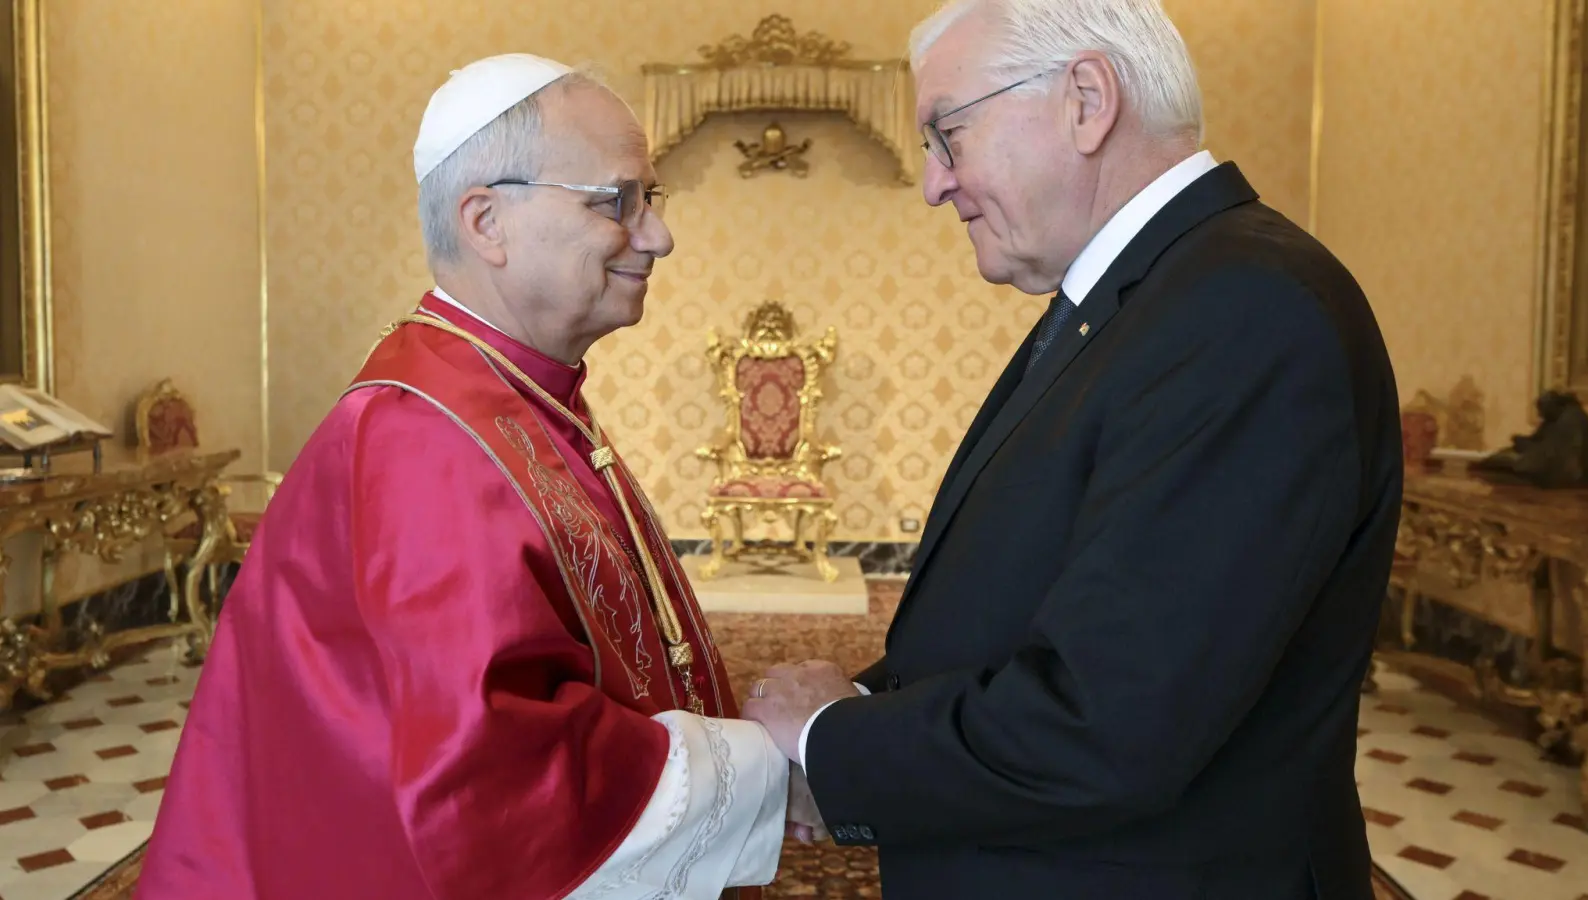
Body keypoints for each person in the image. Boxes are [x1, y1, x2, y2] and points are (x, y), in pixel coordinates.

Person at [743, 1, 1401, 898]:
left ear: (1087, 100)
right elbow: (1029, 604)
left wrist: (830, 740)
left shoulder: (1245, 310)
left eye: (948, 135)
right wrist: (859, 714)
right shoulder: (1154, 295)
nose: (934, 183)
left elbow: (1113, 718)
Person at [139, 53, 813, 899]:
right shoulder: (426, 434)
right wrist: (773, 766)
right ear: (486, 221)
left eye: (653, 199)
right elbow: (501, 770)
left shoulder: (503, 390)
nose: (657, 235)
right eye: (619, 201)